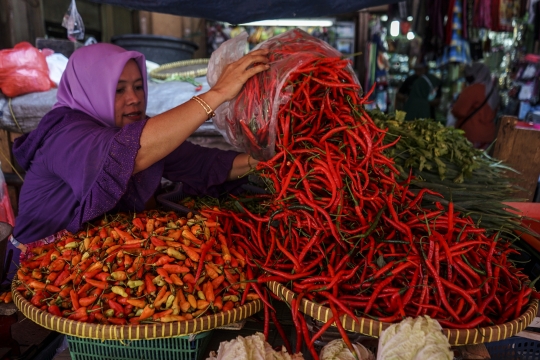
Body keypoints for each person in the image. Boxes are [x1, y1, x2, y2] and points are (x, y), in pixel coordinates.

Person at [5, 43, 269, 279]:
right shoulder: (65, 134)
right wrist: (218, 93)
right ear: (91, 89)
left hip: (89, 270)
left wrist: (264, 160)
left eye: (138, 86)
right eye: (118, 89)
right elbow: (130, 152)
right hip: (35, 275)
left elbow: (200, 163)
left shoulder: (134, 130)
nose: (134, 98)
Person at [451, 62, 500, 149]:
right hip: (488, 136)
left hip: (471, 135)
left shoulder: (473, 89)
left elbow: (459, 111)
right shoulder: (493, 91)